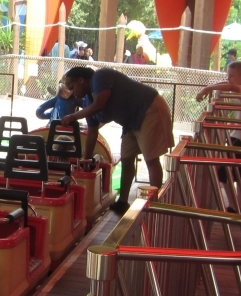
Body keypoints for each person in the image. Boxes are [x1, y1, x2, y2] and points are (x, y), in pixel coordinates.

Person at [60, 66, 175, 214]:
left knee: (151, 159)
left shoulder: (99, 77)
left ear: (81, 80)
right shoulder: (88, 102)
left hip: (147, 109)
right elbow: (92, 132)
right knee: (127, 159)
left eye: (72, 87)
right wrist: (86, 160)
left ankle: (154, 203)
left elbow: (100, 104)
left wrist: (73, 116)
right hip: (129, 122)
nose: (73, 92)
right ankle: (123, 201)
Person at [196, 61, 241, 212]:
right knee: (234, 171)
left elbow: (229, 86)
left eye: (232, 76)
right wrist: (211, 87)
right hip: (240, 135)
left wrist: (208, 88)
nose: (229, 79)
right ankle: (237, 204)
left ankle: (237, 205)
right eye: (228, 75)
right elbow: (226, 83)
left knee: (225, 171)